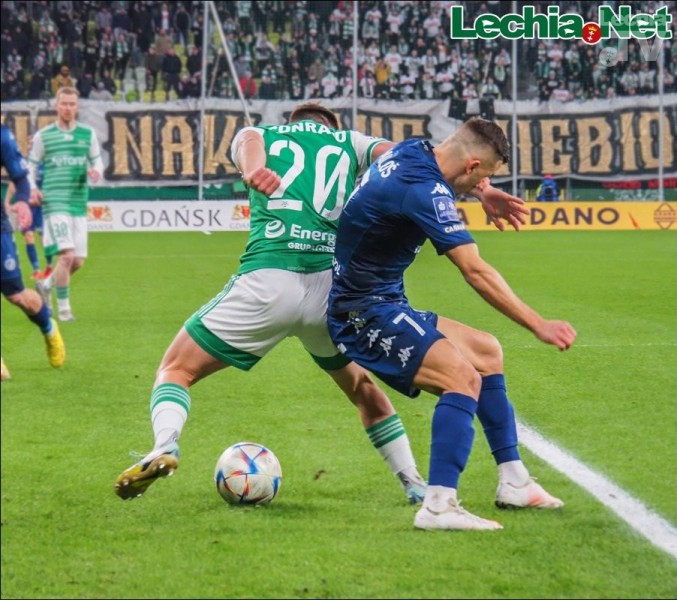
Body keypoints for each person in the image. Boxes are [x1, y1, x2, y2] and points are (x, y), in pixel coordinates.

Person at [114, 103, 427, 504]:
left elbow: (248, 140)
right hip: (328, 292)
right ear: (331, 125)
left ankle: (165, 445)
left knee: (176, 370)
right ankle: (413, 482)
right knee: (362, 388)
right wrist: (478, 184)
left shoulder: (267, 134)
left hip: (268, 280)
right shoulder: (350, 142)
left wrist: (253, 170)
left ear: (293, 122)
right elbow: (407, 156)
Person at [327, 117, 577, 531]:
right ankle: (439, 506)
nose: (480, 183)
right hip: (362, 313)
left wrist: (483, 190)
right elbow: (475, 271)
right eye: (484, 175)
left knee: (485, 351)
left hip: (381, 301)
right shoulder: (425, 190)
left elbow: (454, 168)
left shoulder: (412, 149)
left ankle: (514, 481)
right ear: (473, 165)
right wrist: (538, 324)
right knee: (462, 378)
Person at [29, 87, 103, 322]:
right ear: (57, 106)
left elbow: (97, 162)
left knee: (78, 261)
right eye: (64, 104)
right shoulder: (44, 136)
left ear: (77, 106)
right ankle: (63, 310)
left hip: (78, 202)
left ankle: (45, 285)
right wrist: (33, 188)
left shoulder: (87, 134)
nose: (68, 108)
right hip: (54, 201)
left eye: (72, 104)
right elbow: (30, 165)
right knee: (67, 256)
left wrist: (96, 172)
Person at [0, 124, 66, 380]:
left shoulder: (2, 137)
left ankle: (49, 328)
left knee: (16, 295)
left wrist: (22, 201)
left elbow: (20, 178)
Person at [3, 160, 53, 281]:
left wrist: (42, 197)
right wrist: (7, 201)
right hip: (26, 206)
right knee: (29, 237)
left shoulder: (46, 164)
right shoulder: (22, 164)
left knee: (44, 238)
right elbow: (13, 183)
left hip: (41, 207)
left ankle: (49, 267)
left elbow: (51, 186)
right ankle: (36, 270)